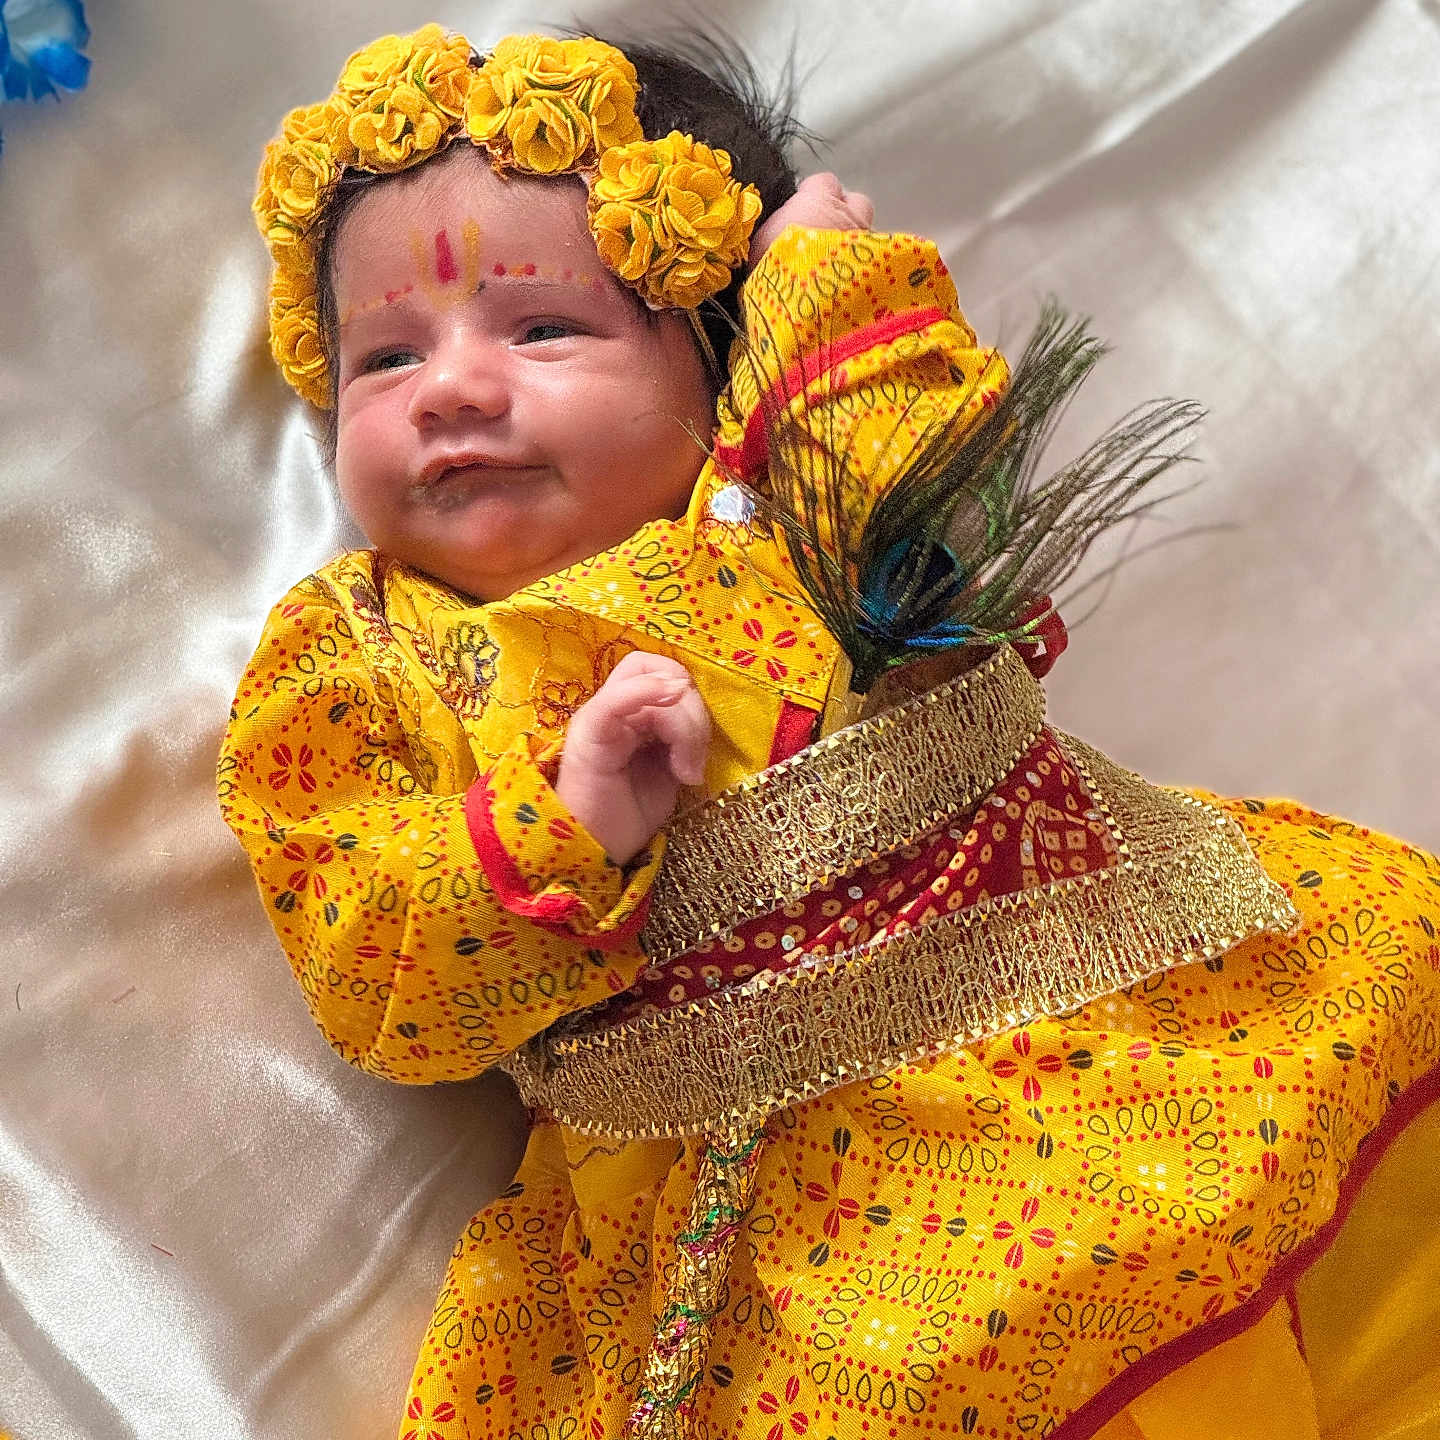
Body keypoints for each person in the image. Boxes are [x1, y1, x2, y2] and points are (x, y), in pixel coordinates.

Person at [219, 24, 1440, 1440]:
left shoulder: (779, 493)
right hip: (764, 1205)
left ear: (715, 352)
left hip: (1107, 1004)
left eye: (543, 326)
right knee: (934, 1364)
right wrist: (562, 825)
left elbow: (921, 458)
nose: (451, 387)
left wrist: (815, 272)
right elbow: (372, 966)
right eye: (382, 357)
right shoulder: (356, 662)